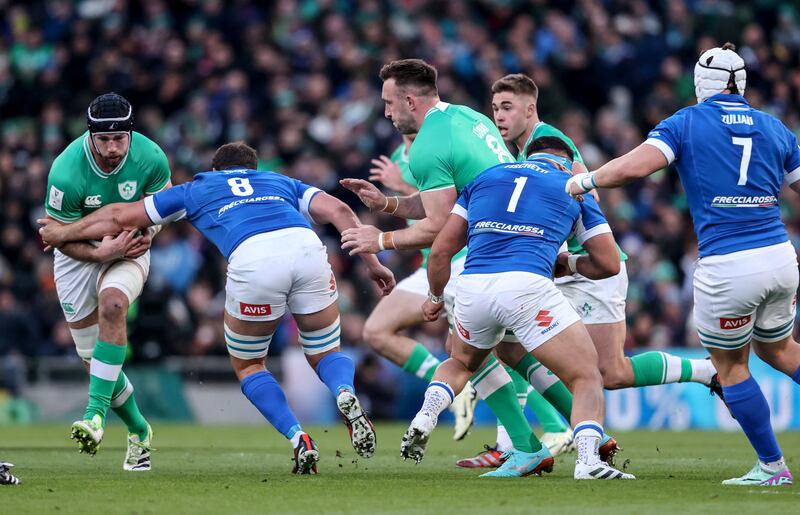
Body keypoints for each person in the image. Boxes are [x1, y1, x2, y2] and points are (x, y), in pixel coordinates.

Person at [40, 142, 395, 475]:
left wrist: (63, 233)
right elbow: (340, 210)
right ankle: (345, 392)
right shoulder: (280, 181)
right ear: (254, 170)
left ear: (214, 169)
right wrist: (373, 264)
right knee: (324, 351)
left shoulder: (198, 187)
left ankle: (298, 437)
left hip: (254, 261)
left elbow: (120, 217)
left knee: (250, 364)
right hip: (307, 249)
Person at [453, 73, 722, 469]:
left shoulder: (552, 142)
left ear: (531, 108)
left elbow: (586, 195)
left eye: (507, 107)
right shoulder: (521, 151)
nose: (499, 117)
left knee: (607, 372)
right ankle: (516, 444)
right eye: (495, 109)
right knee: (511, 346)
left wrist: (556, 251)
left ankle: (704, 371)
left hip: (586, 270)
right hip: (552, 270)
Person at [566, 43, 799, 486]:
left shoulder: (687, 122)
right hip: (780, 256)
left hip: (728, 266)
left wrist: (584, 180)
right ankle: (770, 465)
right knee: (780, 349)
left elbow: (636, 168)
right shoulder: (775, 127)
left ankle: (772, 467)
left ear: (699, 84)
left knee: (731, 368)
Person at [341, 58, 552, 459]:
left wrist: (379, 239)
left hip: (485, 252)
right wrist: (386, 203)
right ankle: (576, 435)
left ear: (408, 99)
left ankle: (530, 445)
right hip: (521, 240)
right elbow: (448, 203)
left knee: (467, 353)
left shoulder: (427, 144)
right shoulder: (467, 117)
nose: (385, 112)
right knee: (505, 354)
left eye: (388, 103)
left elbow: (439, 226)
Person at [403, 136, 633, 480]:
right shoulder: (573, 186)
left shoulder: (485, 177)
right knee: (585, 375)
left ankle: (427, 412)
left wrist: (435, 298)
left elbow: (439, 252)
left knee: (461, 361)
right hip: (526, 285)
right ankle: (588, 461)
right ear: (568, 163)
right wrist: (568, 264)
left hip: (472, 285)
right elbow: (609, 262)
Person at [44, 92, 171, 470]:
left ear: (131, 134)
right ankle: (139, 429)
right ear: (90, 136)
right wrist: (101, 253)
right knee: (92, 360)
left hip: (129, 248)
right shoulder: (66, 171)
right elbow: (57, 237)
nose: (113, 148)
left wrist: (153, 230)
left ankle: (94, 415)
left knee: (114, 304)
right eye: (104, 140)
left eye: (120, 139)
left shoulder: (151, 157)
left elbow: (163, 206)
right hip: (80, 257)